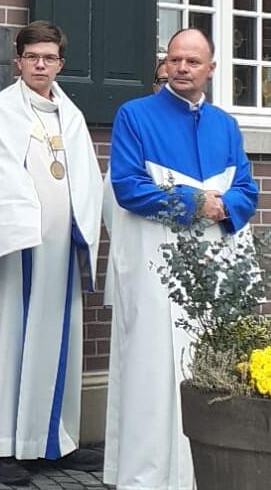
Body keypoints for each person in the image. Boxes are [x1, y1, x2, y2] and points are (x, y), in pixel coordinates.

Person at [103, 28, 257, 490]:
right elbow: (128, 187)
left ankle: (206, 470)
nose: (182, 68)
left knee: (213, 363)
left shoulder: (225, 125)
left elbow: (247, 188)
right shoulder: (135, 116)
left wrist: (224, 207)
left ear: (211, 69)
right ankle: (149, 477)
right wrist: (197, 203)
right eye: (174, 60)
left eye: (192, 61)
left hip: (216, 267)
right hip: (156, 265)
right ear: (165, 64)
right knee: (152, 371)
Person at [0, 21, 104, 486]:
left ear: (61, 63)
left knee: (54, 345)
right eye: (32, 57)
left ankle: (50, 442)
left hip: (59, 256)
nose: (41, 65)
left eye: (49, 58)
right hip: (16, 254)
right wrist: (15, 219)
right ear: (17, 61)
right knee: (8, 343)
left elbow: (85, 178)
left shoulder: (71, 116)